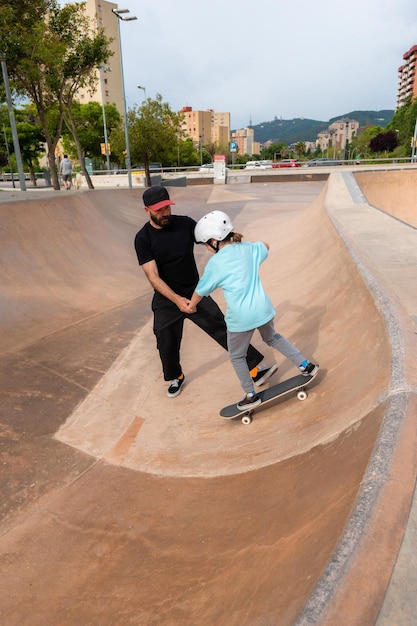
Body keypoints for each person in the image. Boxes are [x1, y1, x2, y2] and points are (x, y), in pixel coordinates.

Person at [134, 185, 277, 398]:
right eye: (159, 210)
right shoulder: (143, 238)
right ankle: (176, 376)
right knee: (166, 340)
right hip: (166, 298)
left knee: (221, 327)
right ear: (147, 211)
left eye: (166, 208)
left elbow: (215, 239)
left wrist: (240, 252)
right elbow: (152, 276)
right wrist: (176, 300)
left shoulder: (185, 225)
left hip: (194, 290)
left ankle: (255, 368)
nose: (164, 213)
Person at [187, 210, 319, 411]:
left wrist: (192, 305)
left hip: (241, 318)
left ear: (213, 240)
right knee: (273, 338)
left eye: (205, 244)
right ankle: (306, 365)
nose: (206, 248)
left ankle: (250, 394)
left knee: (237, 356)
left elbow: (201, 289)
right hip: (263, 309)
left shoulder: (215, 263)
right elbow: (265, 245)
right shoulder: (248, 248)